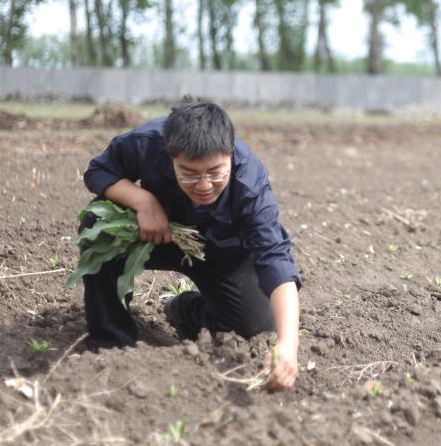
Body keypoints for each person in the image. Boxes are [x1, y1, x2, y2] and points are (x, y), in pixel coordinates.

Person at [80, 98, 300, 390]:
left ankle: (183, 309)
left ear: (230, 155)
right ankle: (111, 341)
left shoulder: (250, 185)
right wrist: (143, 201)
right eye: (189, 174)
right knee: (97, 228)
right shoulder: (147, 142)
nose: (204, 186)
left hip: (220, 252)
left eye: (215, 172)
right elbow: (98, 171)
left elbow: (276, 260)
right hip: (155, 235)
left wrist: (288, 344)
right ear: (170, 155)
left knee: (257, 328)